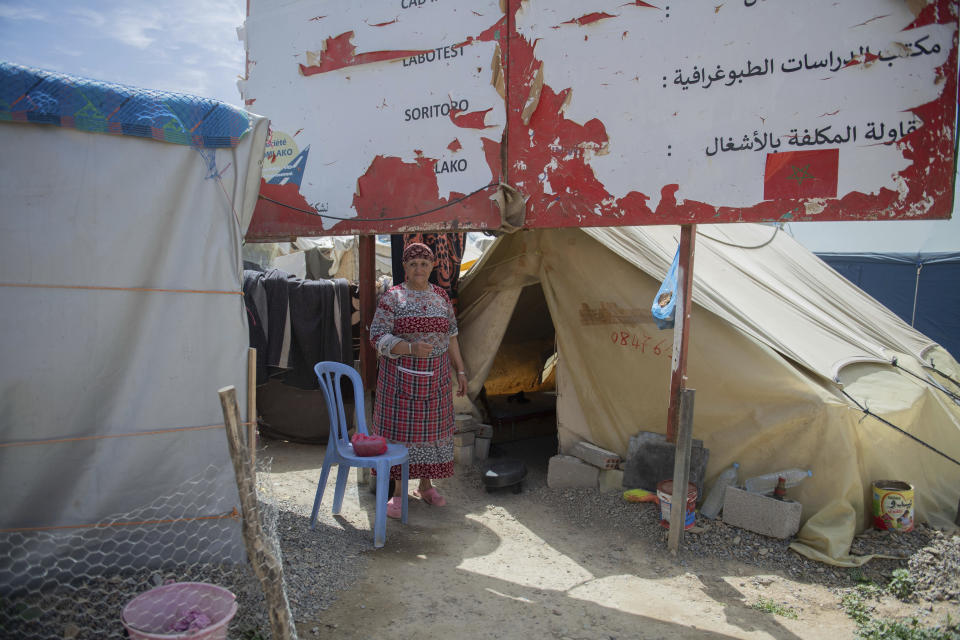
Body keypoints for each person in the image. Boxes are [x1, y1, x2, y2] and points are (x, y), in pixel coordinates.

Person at [369, 242, 467, 518]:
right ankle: (398, 494)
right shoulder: (393, 298)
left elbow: (452, 336)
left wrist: (460, 370)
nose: (419, 268)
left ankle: (426, 486)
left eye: (424, 263)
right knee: (402, 437)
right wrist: (409, 348)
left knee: (432, 435)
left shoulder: (441, 297)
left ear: (433, 265)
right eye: (413, 264)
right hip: (399, 381)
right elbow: (376, 336)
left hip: (436, 379)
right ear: (405, 268)